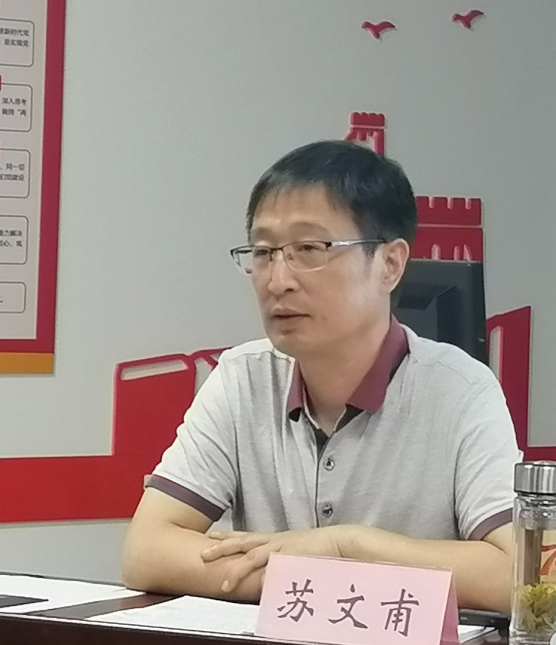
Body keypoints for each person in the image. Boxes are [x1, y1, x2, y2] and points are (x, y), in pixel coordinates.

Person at [122, 140, 521, 612]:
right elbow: (146, 550)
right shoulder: (242, 379)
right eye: (264, 252)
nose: (278, 281)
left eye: (309, 249)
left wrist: (345, 547)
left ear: (390, 264)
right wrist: (303, 577)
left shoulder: (461, 391)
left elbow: (518, 575)